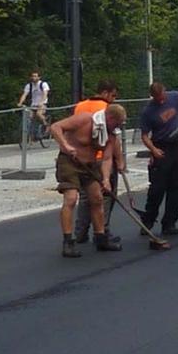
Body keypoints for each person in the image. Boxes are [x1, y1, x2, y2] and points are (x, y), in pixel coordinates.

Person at [49, 104, 128, 257]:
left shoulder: (110, 135)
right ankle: (68, 242)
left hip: (89, 167)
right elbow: (55, 127)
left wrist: (106, 179)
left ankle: (101, 238)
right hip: (70, 162)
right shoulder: (85, 119)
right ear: (110, 118)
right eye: (117, 123)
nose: (118, 127)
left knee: (97, 198)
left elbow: (106, 158)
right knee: (71, 199)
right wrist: (65, 145)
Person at [140, 82, 178, 239]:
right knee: (157, 189)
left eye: (162, 97)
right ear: (153, 97)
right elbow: (144, 136)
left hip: (176, 146)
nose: (161, 101)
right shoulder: (148, 111)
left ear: (165, 92)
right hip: (160, 147)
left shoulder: (173, 96)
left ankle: (169, 223)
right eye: (157, 99)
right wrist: (153, 150)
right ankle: (147, 222)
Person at [73, 80, 125, 244]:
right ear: (105, 93)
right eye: (113, 95)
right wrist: (120, 160)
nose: (114, 99)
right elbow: (112, 139)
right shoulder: (108, 110)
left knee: (85, 198)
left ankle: (80, 232)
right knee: (105, 196)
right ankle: (102, 231)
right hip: (101, 159)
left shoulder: (80, 106)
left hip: (83, 160)